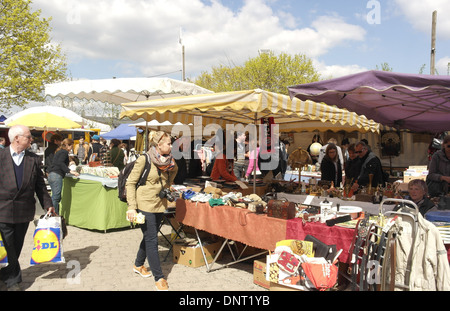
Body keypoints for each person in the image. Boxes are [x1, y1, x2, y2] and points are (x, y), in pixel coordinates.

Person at [0, 125, 55, 291]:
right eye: (28, 137)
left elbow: (40, 185)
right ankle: (13, 281)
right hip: (3, 209)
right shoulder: (1, 156)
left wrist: (48, 204)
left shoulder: (33, 158)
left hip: (24, 210)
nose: (31, 140)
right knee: (8, 244)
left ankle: (6, 273)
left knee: (16, 246)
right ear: (17, 138)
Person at [126, 131, 178, 291]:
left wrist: (170, 187)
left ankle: (138, 264)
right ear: (158, 145)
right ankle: (159, 277)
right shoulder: (145, 159)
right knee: (152, 240)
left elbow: (170, 179)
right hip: (144, 205)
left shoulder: (170, 162)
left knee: (150, 235)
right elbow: (130, 183)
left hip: (159, 205)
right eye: (168, 144)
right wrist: (132, 207)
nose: (171, 146)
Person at [47, 138, 80, 214]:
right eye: (72, 146)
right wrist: (70, 171)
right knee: (56, 198)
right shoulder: (64, 152)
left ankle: (53, 214)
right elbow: (60, 163)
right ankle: (54, 215)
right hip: (56, 175)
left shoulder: (59, 151)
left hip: (52, 174)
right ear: (68, 145)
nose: (72, 148)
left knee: (54, 196)